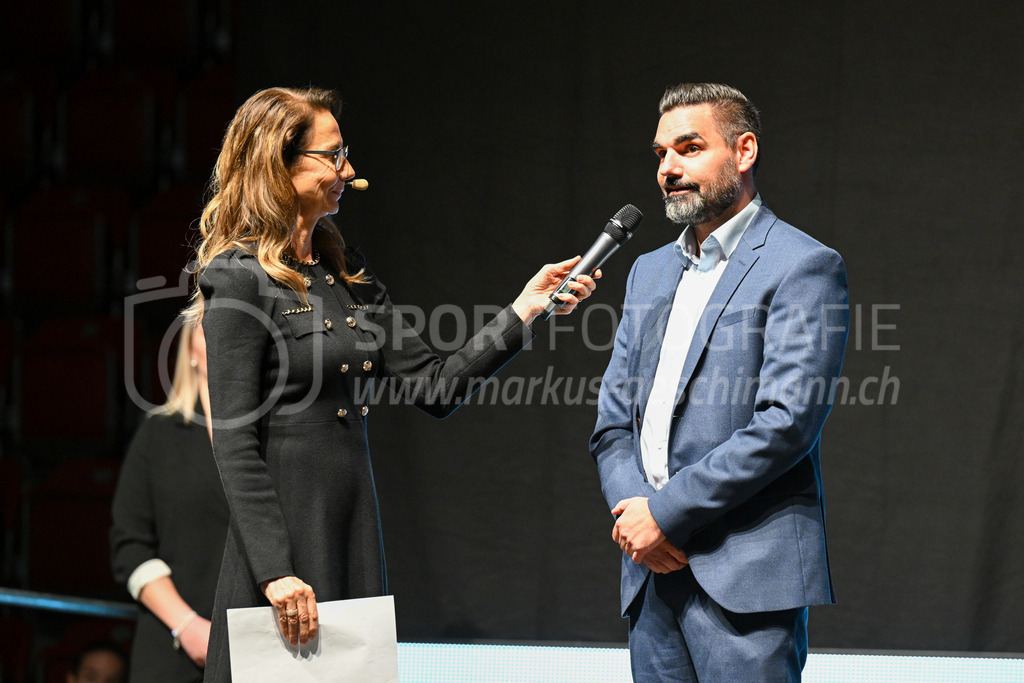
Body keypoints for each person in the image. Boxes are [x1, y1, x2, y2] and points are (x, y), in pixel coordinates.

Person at [185, 86, 598, 680]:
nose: (348, 171)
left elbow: (435, 386)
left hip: (351, 528)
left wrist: (524, 310)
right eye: (333, 155)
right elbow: (233, 441)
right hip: (285, 545)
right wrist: (274, 569)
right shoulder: (238, 277)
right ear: (279, 164)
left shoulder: (345, 272)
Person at [590, 83, 849, 681]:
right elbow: (612, 421)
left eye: (689, 148)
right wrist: (636, 517)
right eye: (660, 154)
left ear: (745, 150)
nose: (669, 169)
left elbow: (786, 424)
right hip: (650, 575)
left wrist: (666, 515)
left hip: (744, 576)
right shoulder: (648, 272)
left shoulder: (802, 265)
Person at [110, 320, 228, 680]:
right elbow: (130, 547)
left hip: (264, 649)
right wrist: (188, 627)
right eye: (209, 328)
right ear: (189, 348)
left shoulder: (281, 434)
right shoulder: (158, 435)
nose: (223, 337)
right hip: (174, 651)